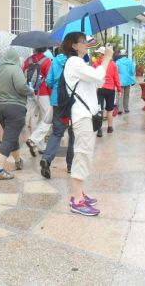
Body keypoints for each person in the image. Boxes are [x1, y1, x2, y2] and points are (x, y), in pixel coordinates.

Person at [62, 32, 110, 216]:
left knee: (85, 154)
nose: (87, 44)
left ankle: (79, 193)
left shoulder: (80, 63)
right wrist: (107, 58)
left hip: (86, 115)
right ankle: (77, 200)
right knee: (82, 154)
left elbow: (97, 82)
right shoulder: (74, 62)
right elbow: (99, 77)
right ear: (74, 46)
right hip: (82, 117)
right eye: (83, 41)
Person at [0, 48, 34, 180]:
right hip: (15, 107)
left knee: (12, 135)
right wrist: (30, 90)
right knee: (9, 138)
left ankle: (17, 161)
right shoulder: (15, 69)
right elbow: (21, 86)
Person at [40, 43, 74, 179]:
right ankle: (71, 165)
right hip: (71, 102)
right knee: (73, 134)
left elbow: (48, 81)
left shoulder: (54, 62)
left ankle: (47, 159)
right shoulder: (74, 62)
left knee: (57, 133)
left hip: (57, 101)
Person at [23, 47, 52, 156]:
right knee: (47, 117)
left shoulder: (28, 60)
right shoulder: (46, 60)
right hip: (43, 92)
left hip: (31, 92)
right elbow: (49, 79)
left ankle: (39, 145)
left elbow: (23, 75)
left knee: (34, 117)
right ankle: (35, 140)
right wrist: (51, 94)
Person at [93, 47, 121, 136]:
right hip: (110, 89)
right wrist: (119, 89)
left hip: (99, 89)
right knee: (110, 109)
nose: (98, 55)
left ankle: (99, 129)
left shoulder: (95, 64)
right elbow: (116, 78)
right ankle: (109, 128)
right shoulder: (113, 64)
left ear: (102, 54)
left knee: (99, 109)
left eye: (99, 53)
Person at [116, 49, 135, 114]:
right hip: (128, 80)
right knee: (127, 95)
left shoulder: (117, 62)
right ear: (126, 54)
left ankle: (120, 110)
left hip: (120, 80)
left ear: (120, 55)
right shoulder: (129, 61)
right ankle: (126, 108)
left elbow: (116, 71)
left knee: (120, 94)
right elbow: (132, 71)